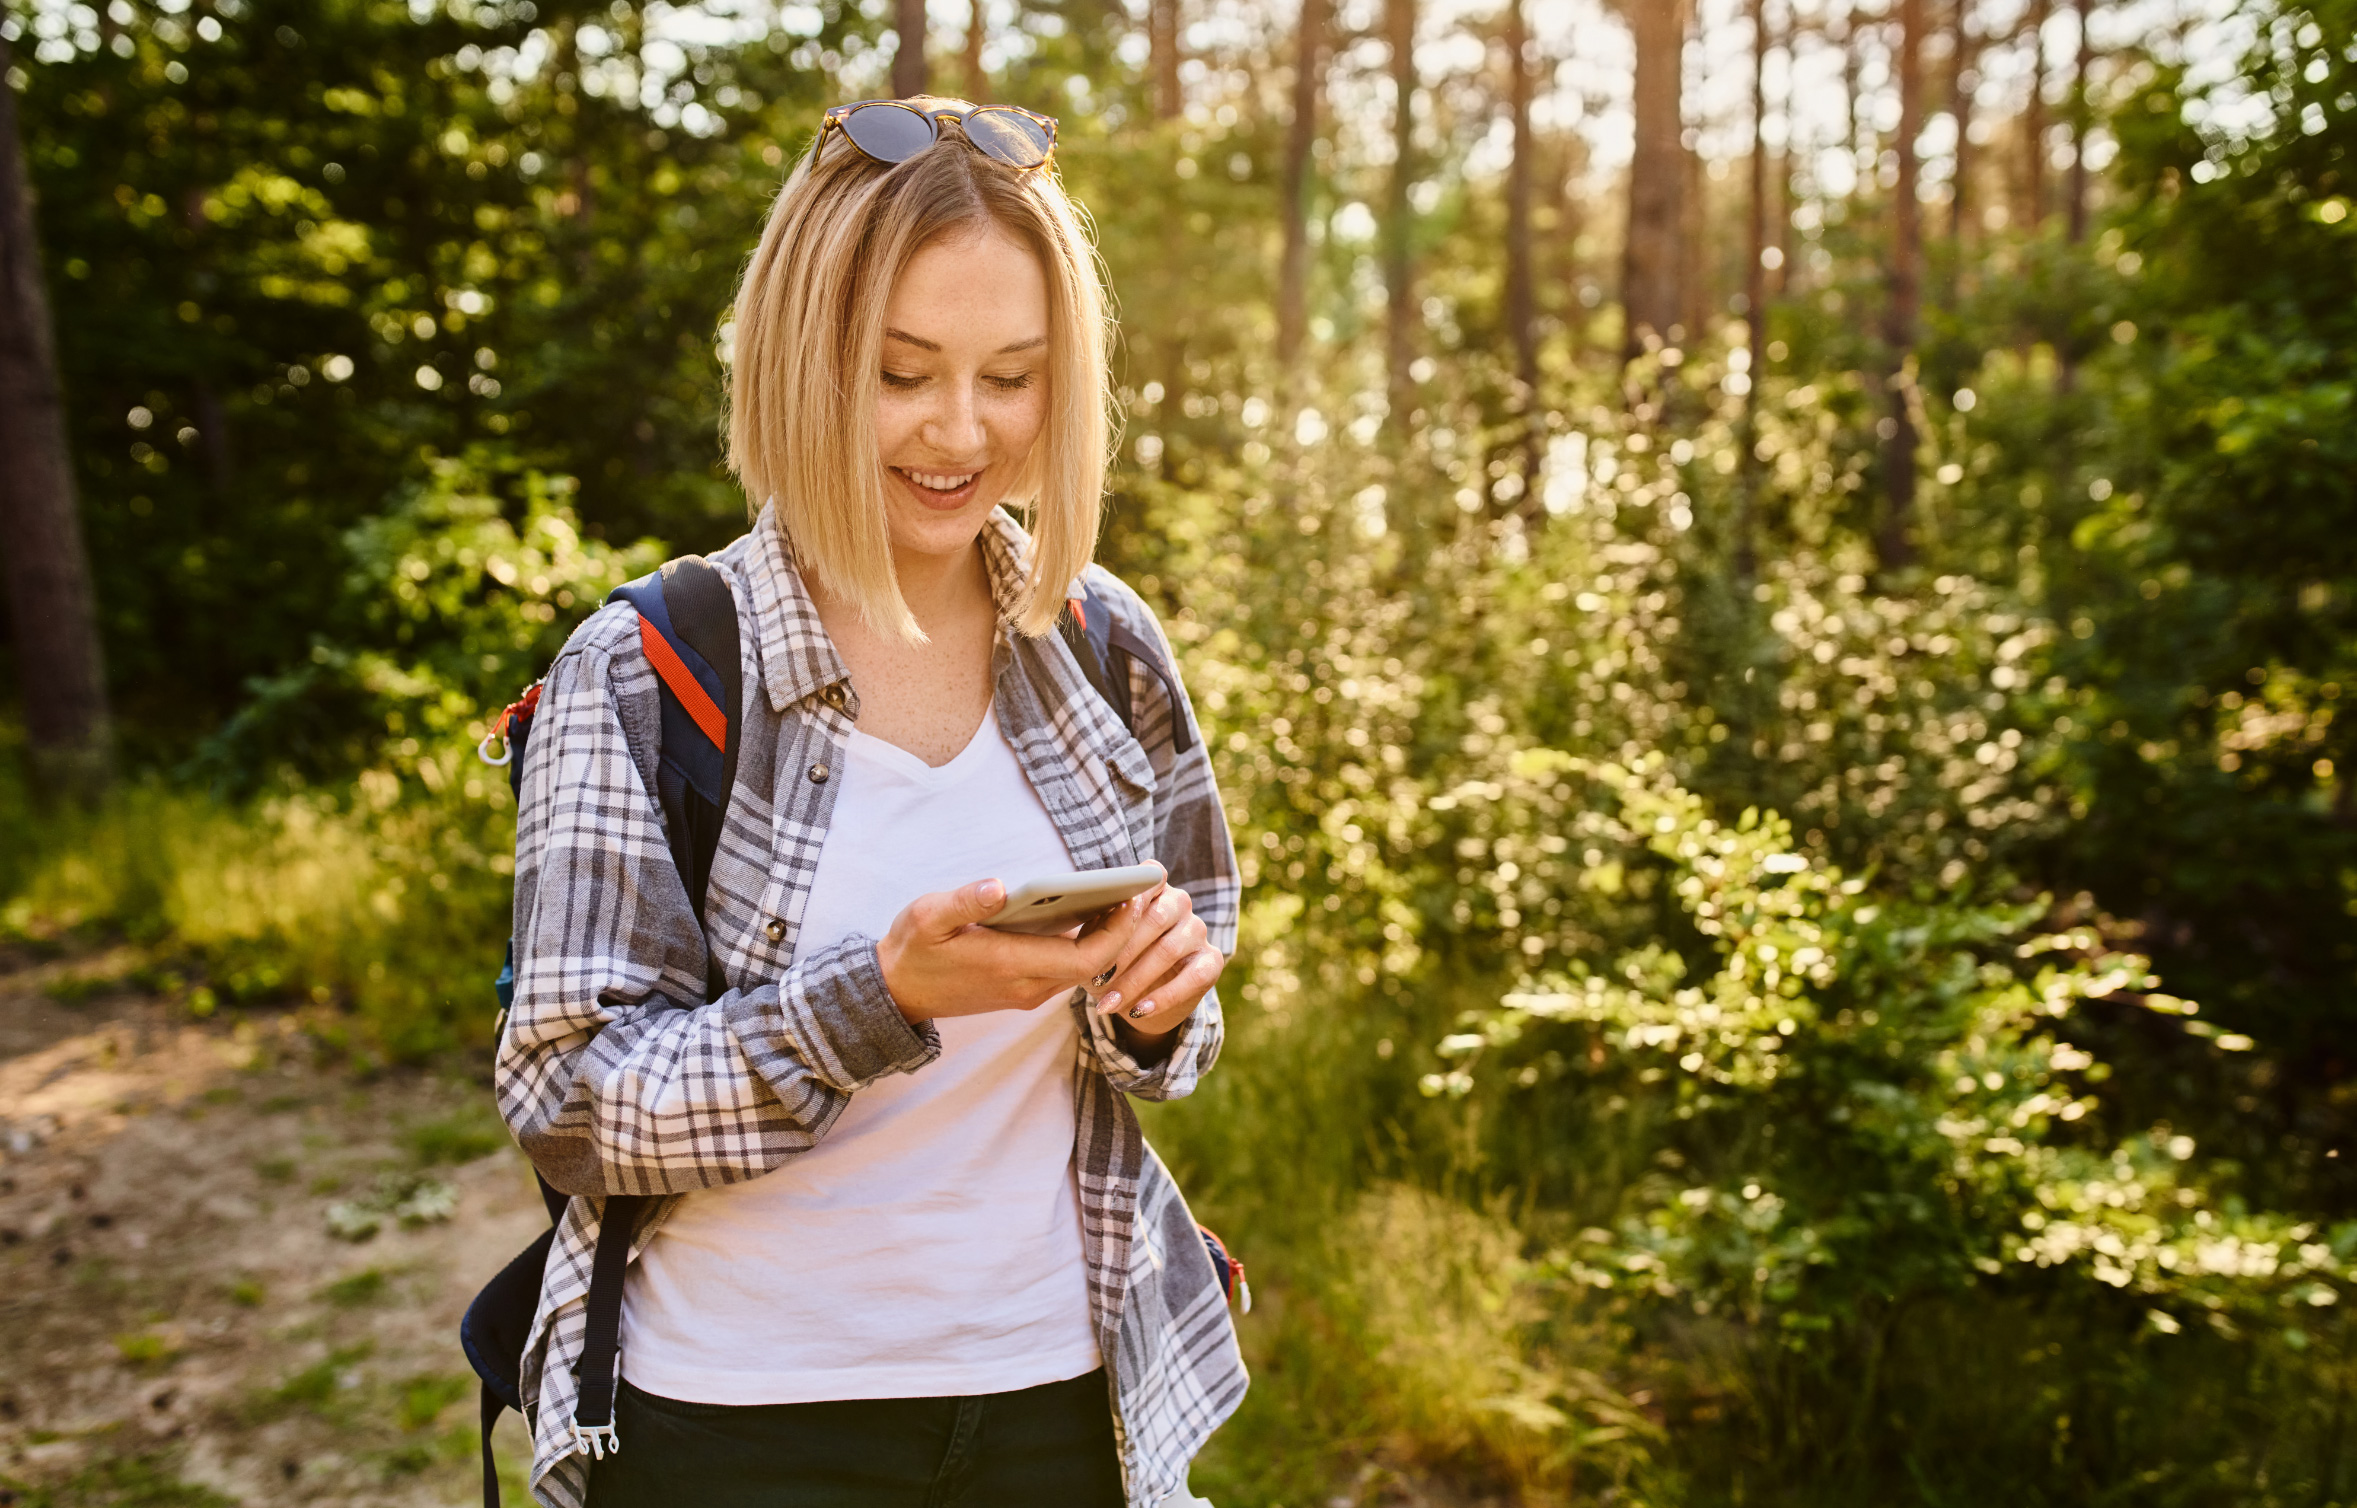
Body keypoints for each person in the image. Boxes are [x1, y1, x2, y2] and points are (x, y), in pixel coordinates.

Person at [494, 96, 1246, 1508]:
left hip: (1066, 1400)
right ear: (802, 359)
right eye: (902, 373)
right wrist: (880, 996)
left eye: (1012, 376)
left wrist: (1151, 1008)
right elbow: (568, 1104)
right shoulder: (650, 670)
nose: (960, 431)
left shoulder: (1103, 642)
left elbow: (1181, 995)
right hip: (747, 1422)